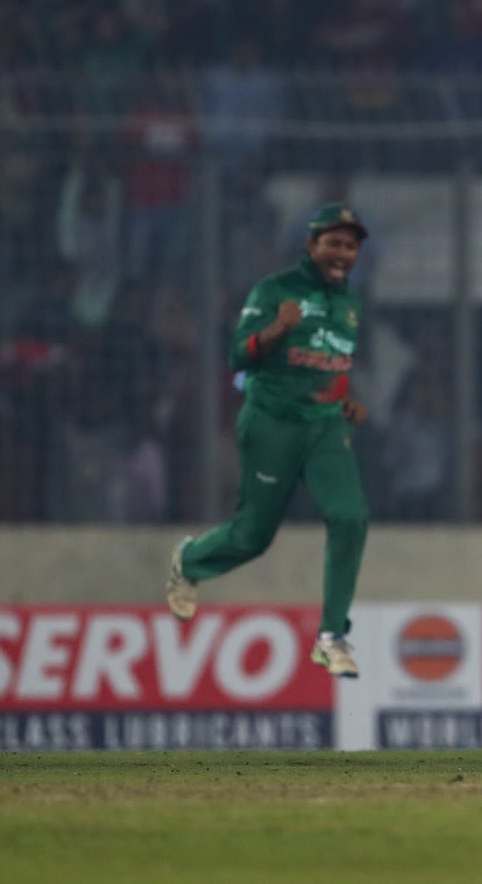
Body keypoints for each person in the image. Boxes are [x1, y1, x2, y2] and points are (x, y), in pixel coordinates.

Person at [166, 204, 372, 679]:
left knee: (350, 517)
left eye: (351, 245)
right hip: (271, 423)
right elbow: (239, 355)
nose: (343, 253)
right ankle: (190, 560)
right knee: (254, 536)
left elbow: (332, 368)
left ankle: (331, 636)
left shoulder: (350, 304)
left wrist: (346, 403)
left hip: (324, 427)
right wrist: (277, 327)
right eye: (334, 243)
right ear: (311, 245)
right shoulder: (275, 290)